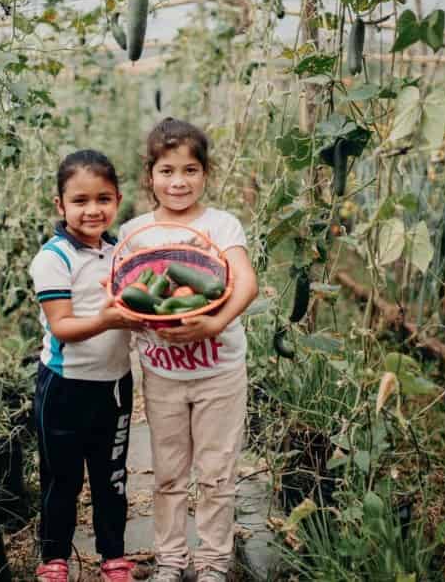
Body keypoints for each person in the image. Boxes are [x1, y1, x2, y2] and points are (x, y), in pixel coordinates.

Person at [119, 118, 259, 582]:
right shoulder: (134, 232)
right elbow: (123, 293)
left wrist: (216, 322)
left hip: (220, 372)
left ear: (205, 173)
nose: (178, 182)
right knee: (168, 474)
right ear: (150, 174)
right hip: (162, 376)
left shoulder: (221, 224)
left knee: (217, 473)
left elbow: (246, 282)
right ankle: (171, 560)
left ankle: (214, 561)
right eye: (166, 170)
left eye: (190, 170)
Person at [29, 150, 141, 582]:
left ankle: (113, 555)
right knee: (62, 478)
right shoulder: (53, 258)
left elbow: (136, 308)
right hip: (65, 387)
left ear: (117, 199)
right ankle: (54, 557)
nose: (92, 209)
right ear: (60, 205)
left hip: (114, 386)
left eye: (103, 198)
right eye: (80, 200)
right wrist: (109, 319)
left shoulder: (119, 254)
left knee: (111, 477)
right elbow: (62, 326)